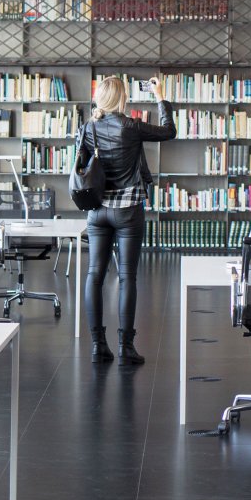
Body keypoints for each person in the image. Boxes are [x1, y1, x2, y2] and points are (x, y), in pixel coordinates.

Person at [78, 76, 175, 365]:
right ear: (122, 98)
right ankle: (126, 347)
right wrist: (160, 96)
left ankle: (98, 345)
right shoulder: (130, 127)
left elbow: (81, 165)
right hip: (128, 210)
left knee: (94, 275)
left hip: (96, 211)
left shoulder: (88, 127)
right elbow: (169, 131)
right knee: (127, 276)